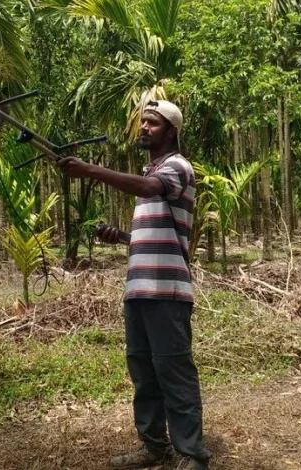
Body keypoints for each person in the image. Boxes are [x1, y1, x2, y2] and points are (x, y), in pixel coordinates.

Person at [57, 100, 212, 470]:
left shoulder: (176, 167)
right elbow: (161, 234)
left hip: (167, 292)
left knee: (173, 371)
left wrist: (90, 170)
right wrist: (124, 237)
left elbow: (148, 188)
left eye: (153, 123)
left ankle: (192, 454)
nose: (144, 127)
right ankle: (154, 445)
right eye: (142, 122)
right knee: (143, 373)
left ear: (171, 131)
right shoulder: (153, 170)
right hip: (139, 290)